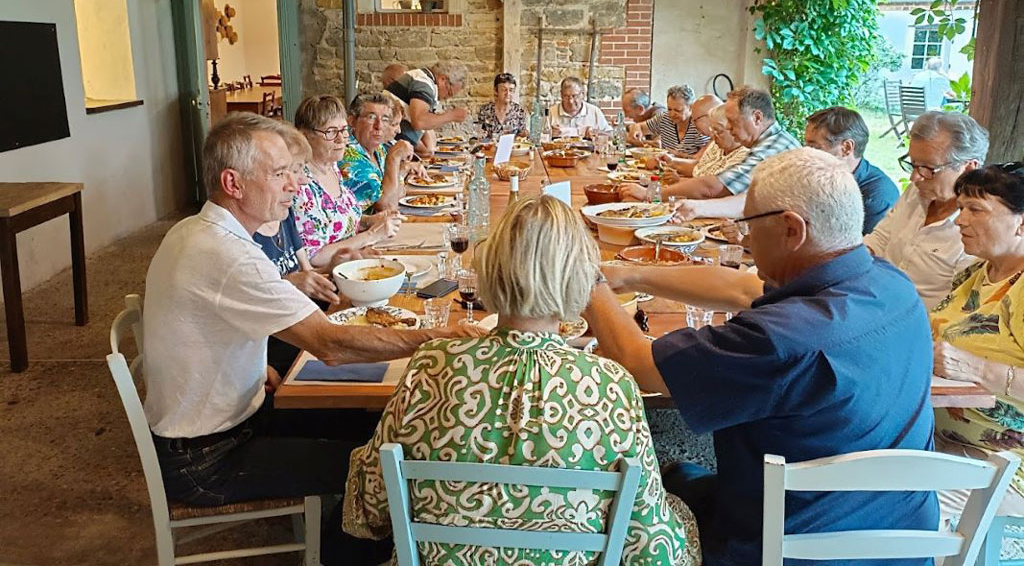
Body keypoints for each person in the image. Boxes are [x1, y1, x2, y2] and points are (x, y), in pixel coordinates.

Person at [142, 113, 482, 563]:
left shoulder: (196, 230)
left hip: (232, 420)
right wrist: (441, 336)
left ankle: (347, 535)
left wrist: (251, 365)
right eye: (279, 174)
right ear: (232, 183)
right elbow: (332, 345)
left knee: (380, 427)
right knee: (383, 471)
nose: (294, 185)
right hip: (207, 459)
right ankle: (345, 553)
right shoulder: (228, 254)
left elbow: (204, 325)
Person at [590, 148, 938, 566]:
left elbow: (640, 364)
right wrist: (628, 274)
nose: (743, 238)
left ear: (792, 229)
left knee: (641, 490)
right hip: (900, 537)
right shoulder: (892, 284)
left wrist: (586, 280)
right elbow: (741, 288)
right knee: (686, 475)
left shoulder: (779, 339)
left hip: (787, 547)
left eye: (749, 224)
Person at [343, 196, 700, 565]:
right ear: (581, 279)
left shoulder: (430, 367)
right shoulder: (611, 386)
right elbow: (650, 550)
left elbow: (369, 508)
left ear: (490, 270)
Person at [928, 163, 1024, 517]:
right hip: (944, 444)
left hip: (1005, 464)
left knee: (894, 504)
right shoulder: (973, 275)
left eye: (976, 210)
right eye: (961, 208)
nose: (960, 220)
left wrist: (977, 369)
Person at [865, 111, 988, 309]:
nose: (914, 178)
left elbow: (959, 306)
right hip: (874, 298)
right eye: (913, 165)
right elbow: (879, 239)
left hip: (920, 319)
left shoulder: (979, 227)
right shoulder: (917, 192)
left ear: (968, 168)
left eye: (928, 169)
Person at [252, 123, 339, 377]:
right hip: (276, 341)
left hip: (301, 321)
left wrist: (336, 267)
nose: (300, 181)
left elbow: (307, 273)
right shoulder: (244, 235)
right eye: (291, 170)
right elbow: (253, 307)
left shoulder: (283, 214)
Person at [623, 86, 799, 209]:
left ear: (757, 118)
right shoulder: (770, 140)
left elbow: (713, 188)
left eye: (732, 121)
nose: (728, 128)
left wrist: (652, 194)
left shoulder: (771, 149)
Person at [292, 95, 402, 268]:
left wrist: (368, 221)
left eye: (343, 130)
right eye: (330, 132)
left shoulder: (332, 167)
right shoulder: (301, 185)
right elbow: (314, 256)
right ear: (305, 136)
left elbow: (336, 221)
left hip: (353, 263)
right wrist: (371, 235)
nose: (341, 139)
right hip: (327, 277)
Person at [804, 106, 899, 234]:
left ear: (846, 148)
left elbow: (866, 246)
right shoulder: (819, 176)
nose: (805, 153)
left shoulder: (878, 198)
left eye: (814, 147)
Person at [341, 93, 414, 213]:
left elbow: (397, 193)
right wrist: (394, 158)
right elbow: (387, 207)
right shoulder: (348, 157)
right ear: (352, 121)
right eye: (371, 117)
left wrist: (400, 171)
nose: (379, 126)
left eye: (385, 119)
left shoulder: (378, 149)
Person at [385, 61, 469, 147]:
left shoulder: (427, 81)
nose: (446, 98)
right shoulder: (424, 83)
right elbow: (419, 121)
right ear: (443, 79)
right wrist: (452, 116)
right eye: (449, 93)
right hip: (388, 137)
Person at [627, 85, 710, 157]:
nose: (672, 114)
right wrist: (635, 129)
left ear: (691, 107)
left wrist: (678, 156)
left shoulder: (699, 126)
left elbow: (703, 160)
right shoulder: (664, 118)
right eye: (669, 109)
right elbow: (639, 126)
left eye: (678, 110)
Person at [476, 72, 527, 137]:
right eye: (504, 90)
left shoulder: (519, 111)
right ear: (496, 91)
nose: (508, 93)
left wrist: (525, 134)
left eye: (511, 90)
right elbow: (479, 136)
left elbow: (522, 136)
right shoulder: (485, 111)